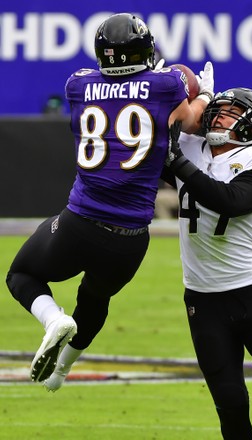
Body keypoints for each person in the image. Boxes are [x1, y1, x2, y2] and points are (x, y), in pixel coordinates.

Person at [6, 13, 214, 392]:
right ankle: (61, 374)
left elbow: (115, 88)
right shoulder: (165, 86)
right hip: (131, 238)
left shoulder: (78, 85)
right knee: (95, 298)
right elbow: (193, 122)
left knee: (20, 275)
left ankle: (53, 320)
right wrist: (201, 95)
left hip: (80, 223)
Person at [163, 88, 252, 439]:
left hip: (250, 293)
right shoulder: (188, 148)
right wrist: (177, 93)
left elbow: (230, 201)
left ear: (251, 124)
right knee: (231, 411)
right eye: (217, 111)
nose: (217, 118)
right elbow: (147, 137)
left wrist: (174, 159)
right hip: (201, 298)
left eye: (229, 113)